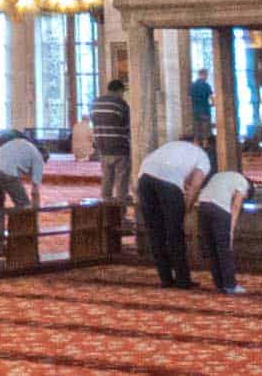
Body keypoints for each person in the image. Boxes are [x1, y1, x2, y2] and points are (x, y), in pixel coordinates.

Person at [134, 137, 210, 290]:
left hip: (144, 177)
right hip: (168, 179)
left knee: (155, 232)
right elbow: (195, 186)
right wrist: (186, 209)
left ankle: (166, 279)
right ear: (199, 142)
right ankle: (183, 280)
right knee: (174, 233)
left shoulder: (170, 145)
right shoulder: (202, 156)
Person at [0, 133, 44, 248]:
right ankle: (26, 243)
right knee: (24, 207)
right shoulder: (39, 159)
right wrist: (35, 214)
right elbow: (35, 192)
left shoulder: (21, 143)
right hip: (6, 171)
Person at [195, 158, 251, 293]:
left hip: (202, 206)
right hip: (219, 210)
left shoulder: (220, 175)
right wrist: (231, 230)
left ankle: (219, 283)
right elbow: (236, 205)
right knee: (224, 249)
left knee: (212, 248)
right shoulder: (243, 183)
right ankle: (230, 285)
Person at [89, 77, 133, 205]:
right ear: (119, 91)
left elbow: (95, 124)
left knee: (107, 177)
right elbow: (127, 127)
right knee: (121, 179)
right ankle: (120, 212)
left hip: (102, 146)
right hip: (119, 147)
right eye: (122, 92)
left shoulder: (95, 103)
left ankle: (106, 209)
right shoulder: (121, 104)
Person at [189, 70, 215, 151]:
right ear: (203, 75)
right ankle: (205, 144)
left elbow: (189, 99)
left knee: (196, 128)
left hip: (195, 110)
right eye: (206, 75)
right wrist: (213, 104)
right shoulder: (206, 85)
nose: (206, 77)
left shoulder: (192, 85)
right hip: (205, 110)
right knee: (205, 128)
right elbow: (211, 97)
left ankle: (196, 143)